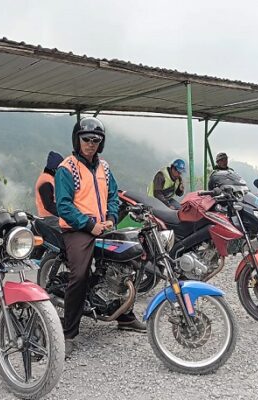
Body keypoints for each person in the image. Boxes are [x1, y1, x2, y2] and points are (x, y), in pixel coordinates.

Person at [55, 117, 146, 358]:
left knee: (129, 262)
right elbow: (63, 207)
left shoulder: (104, 167)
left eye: (96, 140)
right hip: (76, 228)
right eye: (86, 139)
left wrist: (112, 218)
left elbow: (113, 194)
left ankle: (125, 316)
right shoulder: (67, 167)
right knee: (80, 274)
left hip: (102, 225)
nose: (91, 144)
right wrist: (89, 224)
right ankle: (69, 333)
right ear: (77, 139)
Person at [34, 151, 64, 217]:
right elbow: (49, 205)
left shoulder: (51, 178)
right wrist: (66, 214)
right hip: (49, 220)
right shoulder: (45, 181)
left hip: (54, 218)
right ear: (55, 169)